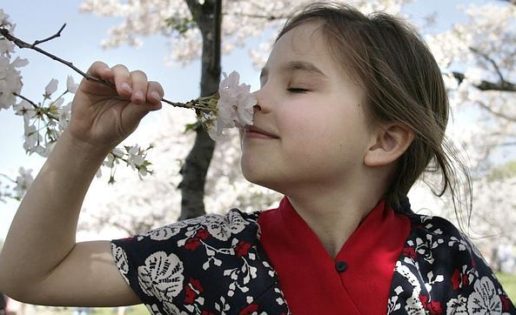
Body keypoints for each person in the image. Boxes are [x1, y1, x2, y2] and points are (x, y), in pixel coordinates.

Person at [0, 2, 514, 314]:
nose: (258, 98)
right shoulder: (209, 251)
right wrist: (83, 143)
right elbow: (33, 276)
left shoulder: (442, 260)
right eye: (264, 77)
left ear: (384, 141)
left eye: (296, 85)